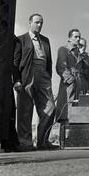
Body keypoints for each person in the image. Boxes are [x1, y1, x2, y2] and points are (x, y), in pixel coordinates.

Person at [16, 14, 57, 151]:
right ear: (30, 22)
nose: (39, 25)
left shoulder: (45, 40)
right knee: (25, 109)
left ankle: (43, 141)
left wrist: (48, 77)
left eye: (41, 23)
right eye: (37, 22)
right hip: (27, 74)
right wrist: (16, 80)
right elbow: (15, 62)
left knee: (50, 107)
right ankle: (25, 142)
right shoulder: (21, 39)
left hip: (43, 74)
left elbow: (49, 61)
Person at [55, 29, 82, 123]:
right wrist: (71, 81)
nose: (78, 39)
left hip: (78, 88)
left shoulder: (78, 53)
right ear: (70, 38)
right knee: (66, 115)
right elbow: (61, 67)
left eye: (79, 37)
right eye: (75, 37)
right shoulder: (63, 49)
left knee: (77, 117)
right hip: (68, 88)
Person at [0, 35, 21, 152]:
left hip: (4, 77)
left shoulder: (14, 40)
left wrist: (16, 79)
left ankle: (8, 142)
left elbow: (15, 62)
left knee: (9, 109)